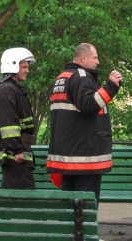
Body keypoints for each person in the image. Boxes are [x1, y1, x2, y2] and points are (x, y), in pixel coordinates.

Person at [47, 43, 122, 207]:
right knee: (86, 206)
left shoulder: (63, 77)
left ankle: (69, 233)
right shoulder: (81, 76)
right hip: (84, 157)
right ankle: (85, 233)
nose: (98, 62)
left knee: (69, 206)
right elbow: (89, 105)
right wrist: (111, 87)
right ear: (83, 58)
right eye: (95, 58)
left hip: (69, 156)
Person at [0, 47, 37, 189]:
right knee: (24, 201)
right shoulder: (7, 90)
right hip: (15, 157)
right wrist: (17, 151)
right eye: (24, 67)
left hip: (18, 154)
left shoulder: (13, 89)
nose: (27, 70)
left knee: (18, 201)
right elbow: (8, 126)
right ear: (12, 65)